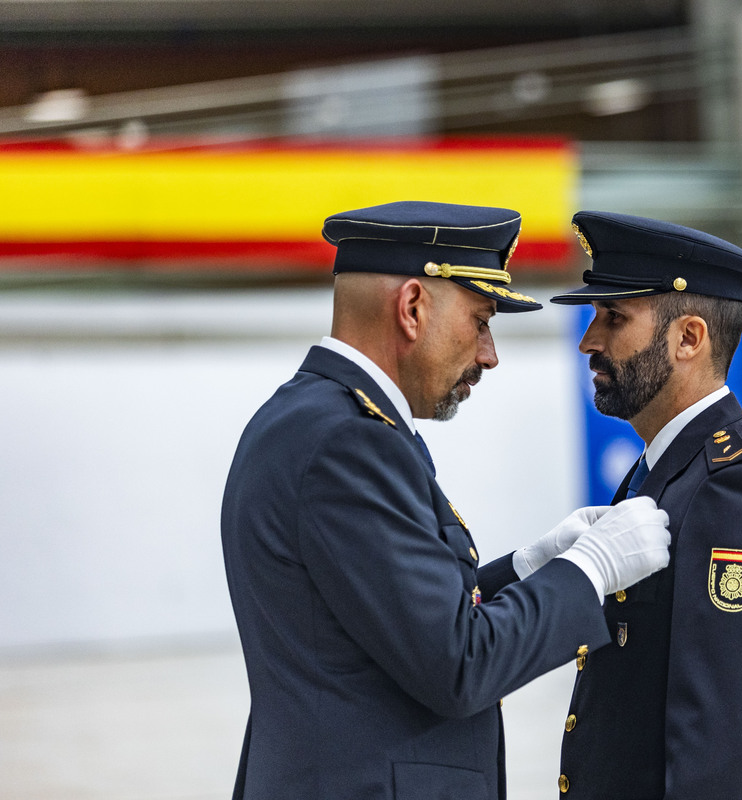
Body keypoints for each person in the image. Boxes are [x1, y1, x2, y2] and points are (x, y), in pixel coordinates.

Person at [221, 201, 673, 800]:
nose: (489, 354)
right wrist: (589, 571)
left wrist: (527, 569)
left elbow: (394, 620)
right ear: (412, 308)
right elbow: (459, 665)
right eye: (480, 320)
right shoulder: (349, 442)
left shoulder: (313, 418)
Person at [548, 211, 742, 799]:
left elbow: (720, 750)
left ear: (689, 338)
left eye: (613, 318)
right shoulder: (663, 468)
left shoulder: (740, 489)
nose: (588, 341)